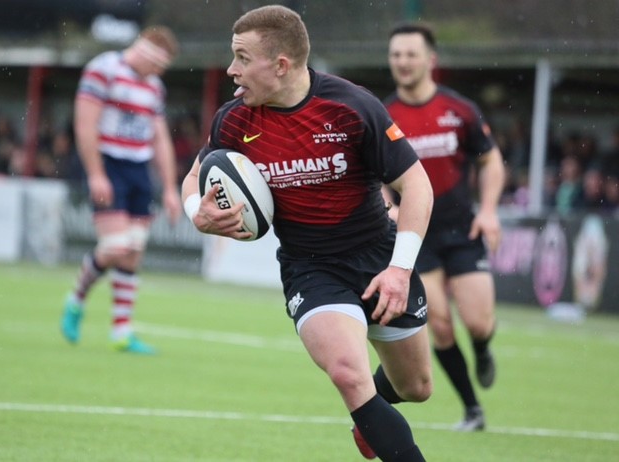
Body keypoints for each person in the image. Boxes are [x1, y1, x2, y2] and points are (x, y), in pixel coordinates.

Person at [181, 5, 433, 461]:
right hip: (311, 268)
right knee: (347, 373)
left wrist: (400, 269)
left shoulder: (352, 106)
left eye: (241, 57)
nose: (231, 69)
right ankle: (371, 414)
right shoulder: (235, 120)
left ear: (280, 64)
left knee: (414, 387)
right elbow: (195, 177)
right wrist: (194, 213)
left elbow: (416, 184)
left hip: (379, 256)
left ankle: (370, 420)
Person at [384, 23, 505, 432]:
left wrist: (488, 210)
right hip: (417, 238)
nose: (402, 61)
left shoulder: (460, 110)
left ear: (430, 60)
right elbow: (373, 176)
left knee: (477, 323)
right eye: (396, 54)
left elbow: (490, 160)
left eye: (410, 54)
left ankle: (484, 348)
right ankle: (472, 409)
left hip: (463, 231)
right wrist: (387, 206)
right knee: (439, 325)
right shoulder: (382, 115)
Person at [60, 26, 181, 354]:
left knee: (133, 251)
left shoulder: (154, 87)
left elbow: (159, 138)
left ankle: (122, 333)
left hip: (138, 169)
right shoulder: (104, 69)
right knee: (115, 246)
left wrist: (170, 187)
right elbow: (85, 123)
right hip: (109, 164)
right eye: (157, 64)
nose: (158, 72)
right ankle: (76, 298)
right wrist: (96, 172)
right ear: (143, 52)